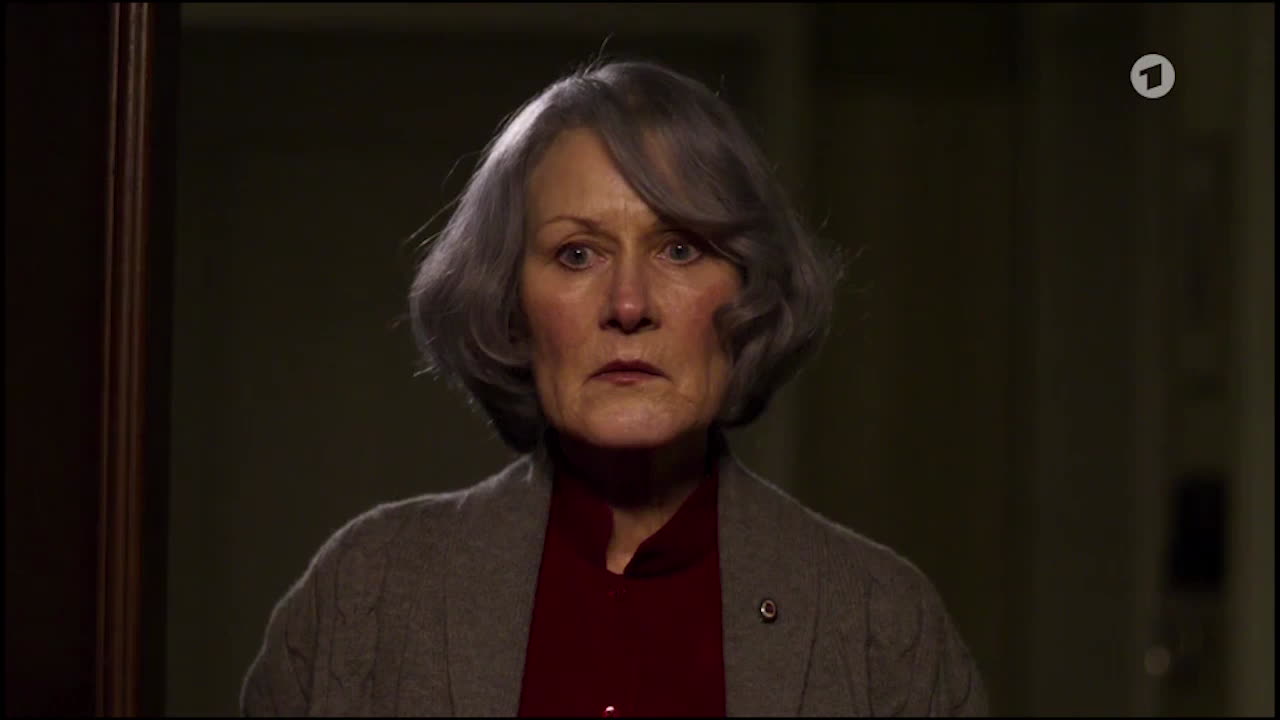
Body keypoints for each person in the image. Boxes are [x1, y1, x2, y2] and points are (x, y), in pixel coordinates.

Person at [241, 58, 987, 717]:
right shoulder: (366, 594)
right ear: (510, 304)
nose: (628, 305)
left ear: (750, 291)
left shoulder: (882, 624)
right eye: (577, 254)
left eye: (680, 249)